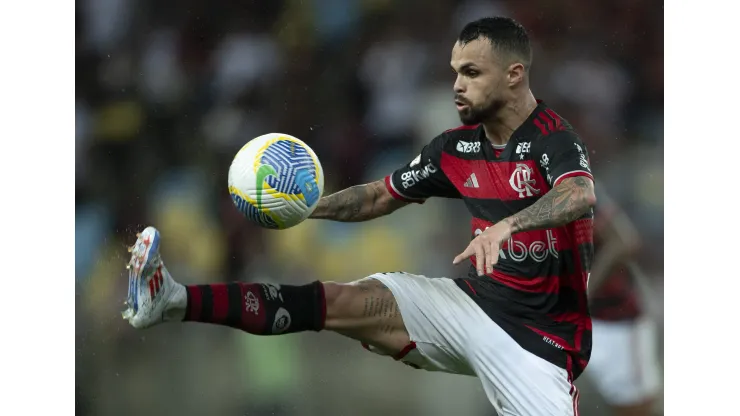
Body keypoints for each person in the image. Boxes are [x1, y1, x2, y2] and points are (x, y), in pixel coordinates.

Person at [123, 17, 597, 415]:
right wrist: (308, 208)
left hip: (540, 343)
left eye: (472, 72)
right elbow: (378, 197)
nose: (457, 84)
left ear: (514, 74)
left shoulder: (553, 138)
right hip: (471, 306)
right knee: (342, 301)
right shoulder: (455, 148)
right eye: (455, 71)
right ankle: (172, 299)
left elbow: (578, 195)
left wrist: (508, 225)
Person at [582, 187, 661, 416]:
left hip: (616, 320)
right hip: (567, 320)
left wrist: (587, 288)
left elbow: (624, 241)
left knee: (635, 406)